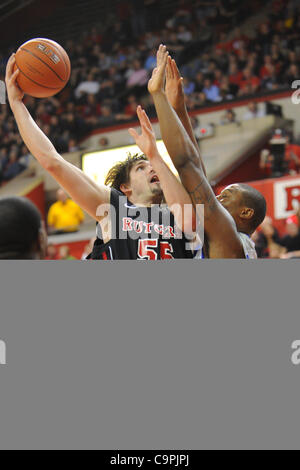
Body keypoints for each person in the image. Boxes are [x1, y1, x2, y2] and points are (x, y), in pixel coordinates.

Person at [6, 53, 196, 260]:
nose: (151, 167)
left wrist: (158, 151)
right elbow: (52, 161)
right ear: (126, 188)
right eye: (141, 167)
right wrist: (16, 104)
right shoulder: (114, 210)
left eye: (150, 165)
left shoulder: (177, 214)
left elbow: (189, 200)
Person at [148, 45, 267, 258]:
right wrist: (178, 108)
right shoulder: (229, 239)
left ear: (246, 213)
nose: (215, 199)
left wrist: (158, 96)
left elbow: (187, 165)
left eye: (225, 197)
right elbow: (197, 172)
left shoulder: (228, 237)